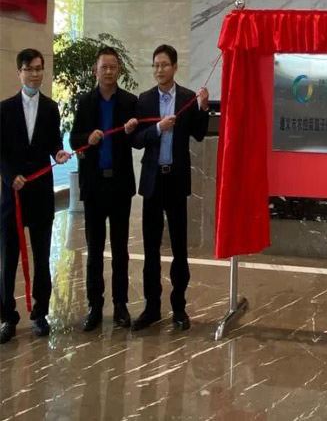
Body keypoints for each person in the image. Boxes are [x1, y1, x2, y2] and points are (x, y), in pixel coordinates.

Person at [130, 44, 209, 331]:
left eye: (164, 65)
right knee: (151, 249)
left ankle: (179, 308)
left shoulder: (187, 98)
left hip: (175, 180)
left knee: (179, 248)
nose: (159, 70)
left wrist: (203, 107)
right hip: (153, 182)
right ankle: (152, 308)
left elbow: (199, 134)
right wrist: (157, 129)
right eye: (155, 65)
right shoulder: (145, 100)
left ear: (174, 67)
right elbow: (136, 140)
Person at [0, 48, 70, 344]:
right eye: (29, 69)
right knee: (8, 259)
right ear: (19, 72)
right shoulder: (4, 109)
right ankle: (7, 317)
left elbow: (54, 141)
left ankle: (40, 314)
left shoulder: (51, 108)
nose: (35, 74)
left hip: (41, 194)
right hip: (13, 196)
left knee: (42, 257)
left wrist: (58, 152)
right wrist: (10, 176)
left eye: (39, 68)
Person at [70, 46, 138, 332]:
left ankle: (120, 305)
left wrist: (133, 131)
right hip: (95, 186)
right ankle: (94, 306)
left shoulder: (130, 102)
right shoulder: (85, 102)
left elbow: (138, 141)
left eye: (113, 67)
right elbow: (74, 140)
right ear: (95, 70)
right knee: (95, 250)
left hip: (119, 185)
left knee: (120, 249)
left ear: (118, 70)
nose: (108, 71)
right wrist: (88, 138)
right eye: (104, 67)